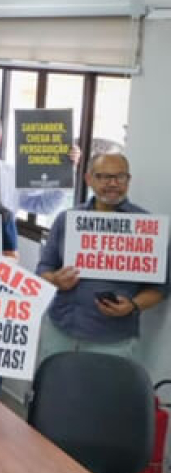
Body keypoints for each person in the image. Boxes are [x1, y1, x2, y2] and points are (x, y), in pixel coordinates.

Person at [37, 152, 169, 359]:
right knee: (56, 389)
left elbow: (161, 288)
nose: (113, 183)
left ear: (128, 180)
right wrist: (55, 280)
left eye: (120, 177)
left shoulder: (146, 227)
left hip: (112, 339)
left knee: (104, 392)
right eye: (104, 177)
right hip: (61, 330)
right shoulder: (67, 219)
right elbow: (43, 268)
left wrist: (133, 305)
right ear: (89, 179)